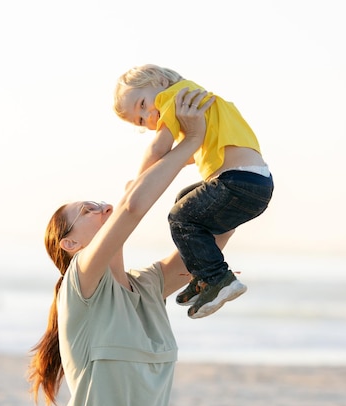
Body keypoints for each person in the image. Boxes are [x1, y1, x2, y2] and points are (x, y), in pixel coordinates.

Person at [28, 89, 264, 406]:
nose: (103, 206)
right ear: (72, 244)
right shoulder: (82, 284)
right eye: (88, 210)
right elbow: (133, 206)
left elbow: (212, 234)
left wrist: (236, 178)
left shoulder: (147, 286)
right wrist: (186, 142)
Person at [113, 64, 274, 319]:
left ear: (162, 81)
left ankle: (217, 277)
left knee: (180, 218)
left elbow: (158, 150)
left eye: (143, 104)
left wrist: (138, 182)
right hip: (258, 183)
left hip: (234, 181)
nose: (149, 116)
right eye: (142, 120)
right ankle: (202, 274)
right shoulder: (200, 100)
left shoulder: (174, 98)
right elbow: (186, 155)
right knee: (184, 200)